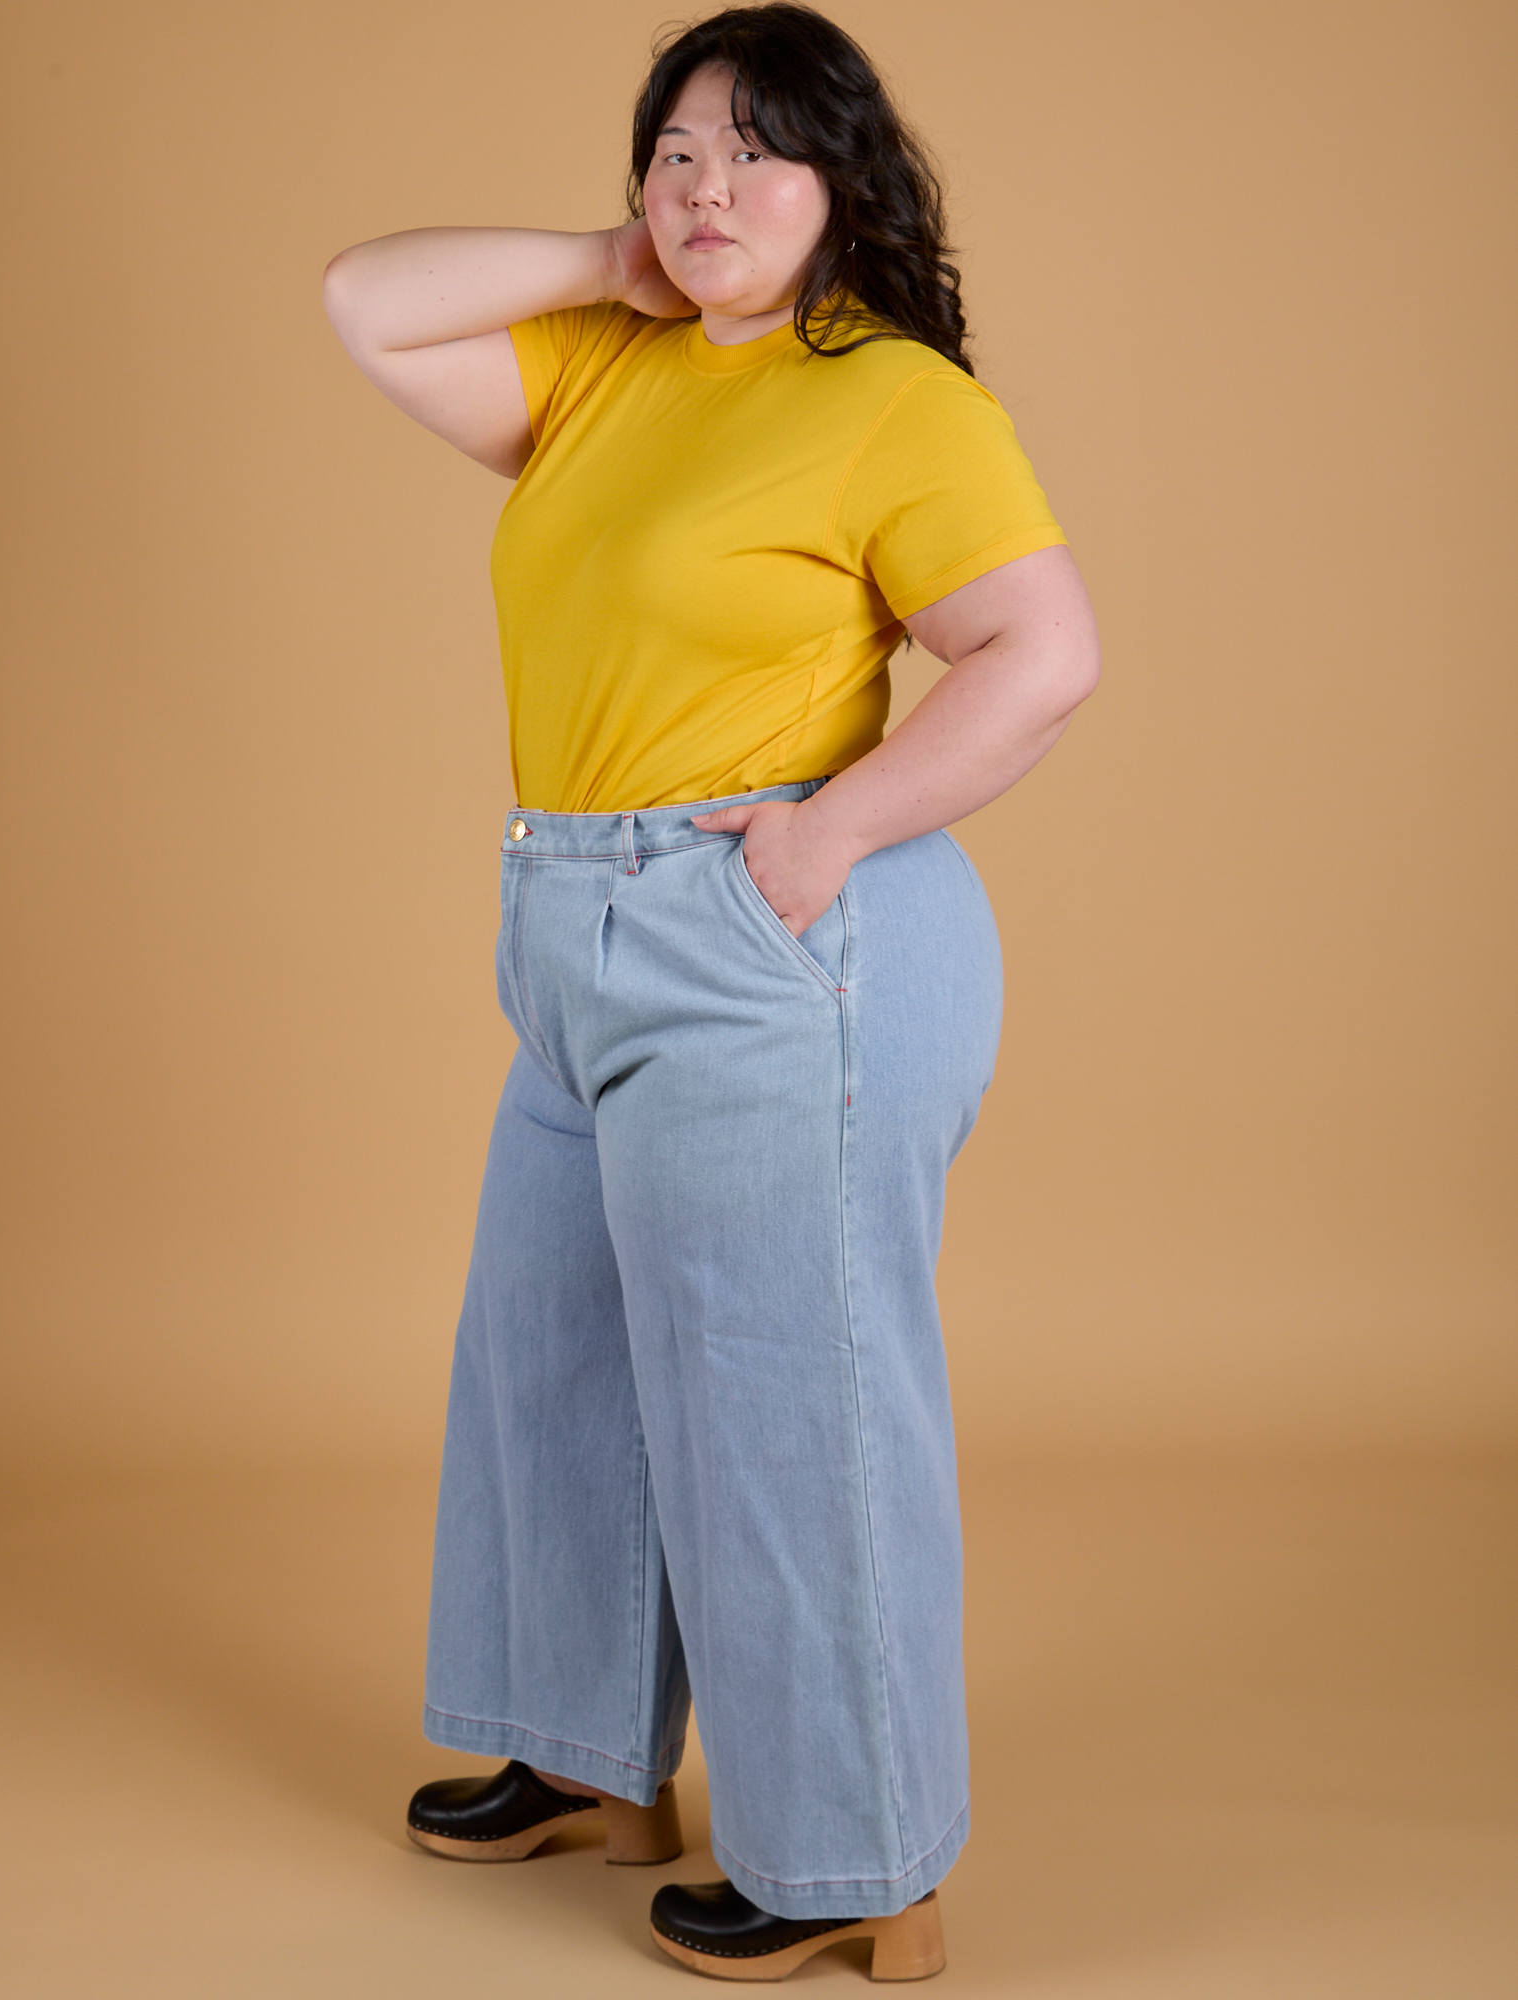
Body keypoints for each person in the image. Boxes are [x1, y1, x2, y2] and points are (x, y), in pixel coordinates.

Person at [323, 3, 1098, 1980]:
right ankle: (588, 1757)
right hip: (573, 932)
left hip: (768, 935)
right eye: (674, 152)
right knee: (552, 1361)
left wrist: (824, 841)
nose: (706, 189)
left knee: (786, 1407)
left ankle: (855, 1862)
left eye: (755, 152)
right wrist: (613, 261)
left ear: (843, 179)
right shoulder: (610, 365)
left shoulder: (890, 393)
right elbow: (363, 301)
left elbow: (1039, 651)